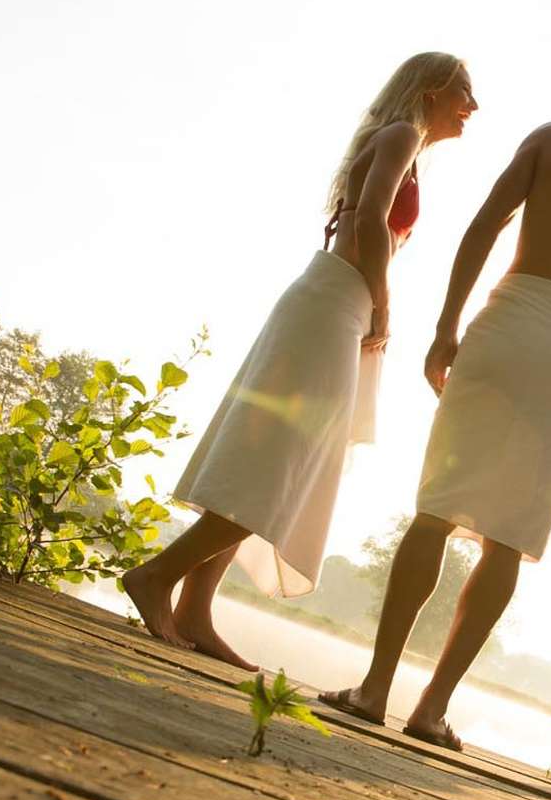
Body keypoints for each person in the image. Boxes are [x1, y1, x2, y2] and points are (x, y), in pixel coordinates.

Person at [321, 54, 551, 749]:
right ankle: (432, 708)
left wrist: (444, 329)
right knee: (508, 537)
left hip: (508, 322)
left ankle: (374, 689)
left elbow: (484, 228)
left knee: (434, 512)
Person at [123, 52, 478, 669]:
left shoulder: (408, 148)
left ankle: (195, 611)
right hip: (334, 301)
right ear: (432, 90)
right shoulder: (399, 135)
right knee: (283, 465)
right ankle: (157, 576)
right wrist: (383, 306)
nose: (474, 107)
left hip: (336, 301)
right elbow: (368, 217)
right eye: (465, 93)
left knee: (276, 464)